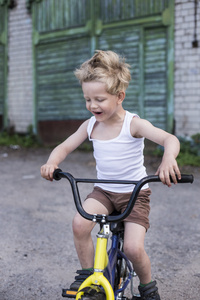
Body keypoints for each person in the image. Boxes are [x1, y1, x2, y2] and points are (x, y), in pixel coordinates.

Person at [41, 50, 181, 300]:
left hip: (134, 193)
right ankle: (88, 277)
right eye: (87, 99)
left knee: (133, 247)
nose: (92, 105)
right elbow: (64, 146)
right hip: (104, 191)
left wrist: (168, 158)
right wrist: (52, 162)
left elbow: (169, 139)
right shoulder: (90, 125)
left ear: (119, 97)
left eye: (99, 99)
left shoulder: (133, 124)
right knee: (80, 223)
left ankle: (148, 289)